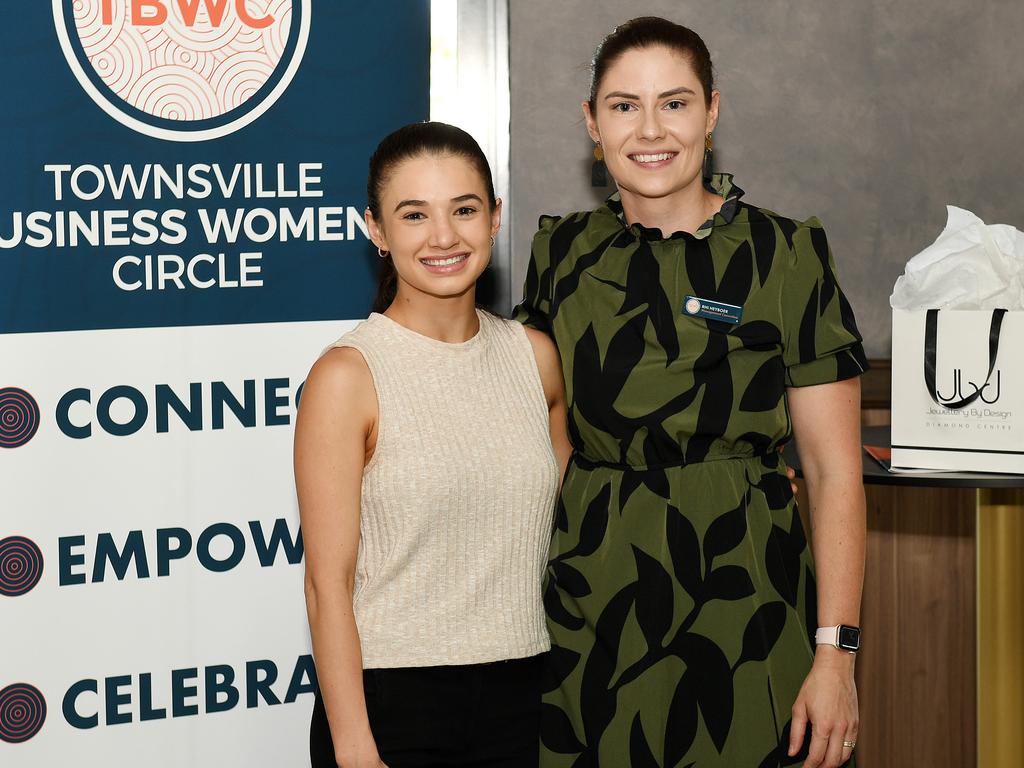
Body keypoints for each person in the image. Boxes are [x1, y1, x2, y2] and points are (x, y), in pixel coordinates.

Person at [515, 17, 867, 768]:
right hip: (591, 609)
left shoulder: (785, 255)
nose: (650, 129)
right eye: (622, 106)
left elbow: (835, 473)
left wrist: (836, 658)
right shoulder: (560, 255)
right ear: (591, 122)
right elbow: (538, 436)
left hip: (747, 609)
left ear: (712, 111)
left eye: (673, 103)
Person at [295, 122, 571, 768]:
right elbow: (325, 586)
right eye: (414, 215)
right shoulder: (348, 375)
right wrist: (355, 748)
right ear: (377, 232)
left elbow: (586, 503)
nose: (444, 236)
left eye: (464, 210)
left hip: (526, 696)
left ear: (496, 218)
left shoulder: (534, 358)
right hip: (393, 706)